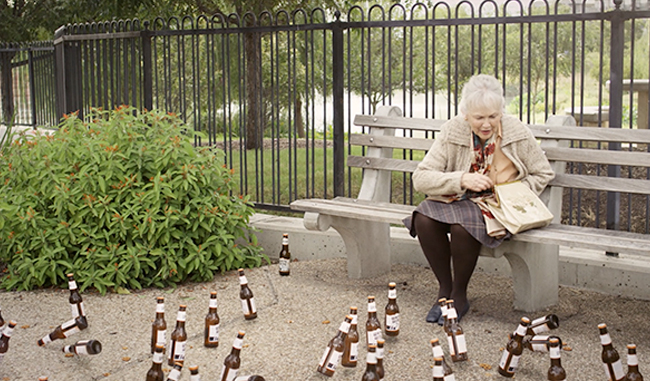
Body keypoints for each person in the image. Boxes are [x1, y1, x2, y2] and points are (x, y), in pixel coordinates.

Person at [403, 74, 554, 325]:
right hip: (458, 198)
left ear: (501, 112)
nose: (487, 124)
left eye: (493, 116)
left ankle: (459, 296)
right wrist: (461, 179)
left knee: (462, 228)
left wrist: (513, 192)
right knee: (423, 218)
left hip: (497, 206)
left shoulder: (516, 130)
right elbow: (421, 177)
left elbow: (543, 172)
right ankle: (445, 291)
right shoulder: (453, 129)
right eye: (479, 117)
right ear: (466, 114)